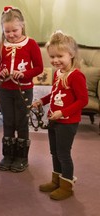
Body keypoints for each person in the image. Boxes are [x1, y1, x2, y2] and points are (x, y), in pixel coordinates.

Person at [32, 31, 88, 200]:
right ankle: (56, 181)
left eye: (60, 56)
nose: (55, 60)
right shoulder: (58, 73)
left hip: (67, 122)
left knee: (63, 153)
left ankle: (67, 185)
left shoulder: (76, 76)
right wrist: (42, 101)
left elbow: (83, 100)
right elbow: (54, 94)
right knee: (54, 152)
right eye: (52, 56)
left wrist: (63, 112)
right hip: (54, 119)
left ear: (71, 54)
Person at [0, 6, 43, 172]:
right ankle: (8, 156)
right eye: (7, 31)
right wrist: (1, 72)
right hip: (5, 90)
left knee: (21, 123)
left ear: (22, 26)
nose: (11, 34)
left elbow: (39, 68)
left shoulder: (31, 44)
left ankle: (21, 157)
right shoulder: (0, 46)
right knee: (8, 122)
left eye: (15, 30)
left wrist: (24, 74)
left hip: (24, 90)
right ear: (2, 30)